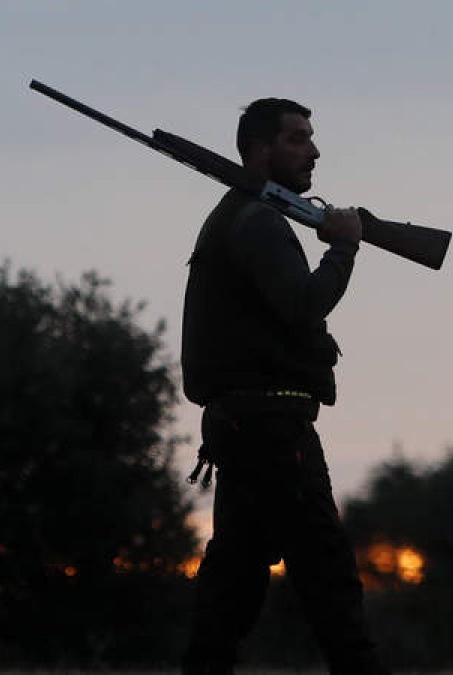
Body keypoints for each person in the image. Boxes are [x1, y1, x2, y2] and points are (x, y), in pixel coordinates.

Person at [179, 98, 388, 675]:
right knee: (327, 577)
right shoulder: (257, 220)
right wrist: (344, 246)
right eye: (298, 138)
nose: (314, 151)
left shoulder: (241, 215)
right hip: (272, 430)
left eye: (311, 138)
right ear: (259, 149)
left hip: (246, 426)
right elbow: (303, 305)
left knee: (235, 581)